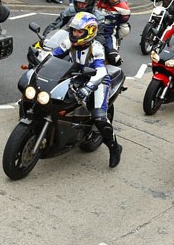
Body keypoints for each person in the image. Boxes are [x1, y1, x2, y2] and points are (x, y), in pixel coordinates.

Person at [48, 12, 123, 168]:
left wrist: (89, 88)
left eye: (79, 31)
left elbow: (101, 71)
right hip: (77, 75)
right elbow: (52, 55)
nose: (75, 34)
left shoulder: (96, 48)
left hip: (97, 81)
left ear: (89, 32)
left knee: (99, 117)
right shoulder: (69, 41)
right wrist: (38, 60)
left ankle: (114, 147)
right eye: (74, 30)